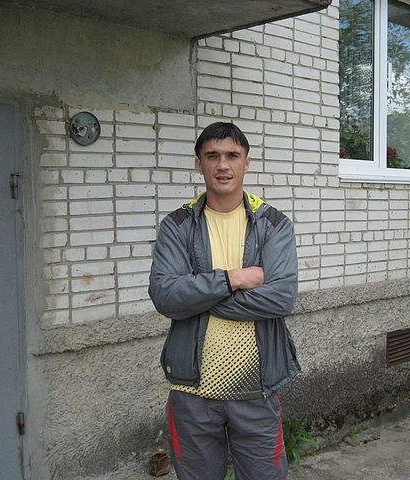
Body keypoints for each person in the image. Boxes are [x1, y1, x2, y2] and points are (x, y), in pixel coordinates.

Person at [148, 122, 300, 480]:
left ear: (246, 162)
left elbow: (280, 298)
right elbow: (166, 296)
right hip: (191, 391)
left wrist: (199, 294)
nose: (222, 165)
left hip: (256, 389)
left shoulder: (273, 224)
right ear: (198, 163)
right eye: (212, 155)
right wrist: (233, 279)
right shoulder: (178, 226)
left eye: (232, 155)